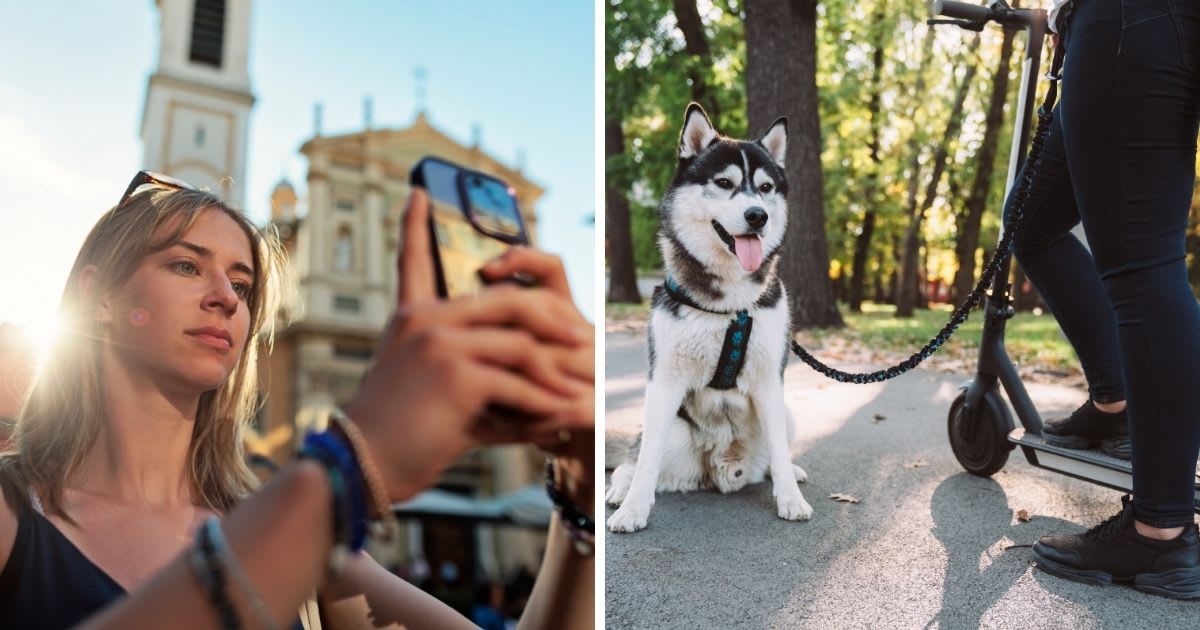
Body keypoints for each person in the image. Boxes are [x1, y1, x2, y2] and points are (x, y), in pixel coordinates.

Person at [0, 172, 596, 627]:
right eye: (186, 265)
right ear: (98, 297)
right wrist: (344, 474)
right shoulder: (13, 512)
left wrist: (579, 503)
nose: (226, 300)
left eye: (242, 285)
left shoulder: (306, 547)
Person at [1005, 0, 1200, 599]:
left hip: (1130, 23)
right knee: (1030, 220)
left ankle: (1158, 534)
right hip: (1135, 27)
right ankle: (1113, 402)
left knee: (1144, 267)